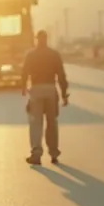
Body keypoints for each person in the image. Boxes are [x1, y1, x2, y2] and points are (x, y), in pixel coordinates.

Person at [21, 30, 69, 165]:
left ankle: (36, 154)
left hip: (36, 89)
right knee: (52, 123)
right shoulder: (54, 54)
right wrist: (64, 94)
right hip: (50, 89)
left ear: (37, 39)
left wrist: (23, 88)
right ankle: (54, 153)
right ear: (46, 39)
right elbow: (61, 75)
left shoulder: (31, 55)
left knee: (36, 123)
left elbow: (24, 72)